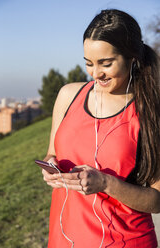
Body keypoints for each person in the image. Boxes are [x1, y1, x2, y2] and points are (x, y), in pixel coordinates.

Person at [42, 9, 160, 248]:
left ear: (132, 57)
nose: (96, 74)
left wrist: (106, 184)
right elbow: (52, 153)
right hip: (63, 239)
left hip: (125, 242)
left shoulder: (150, 112)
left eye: (105, 64)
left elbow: (157, 200)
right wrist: (50, 166)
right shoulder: (68, 95)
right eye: (89, 64)